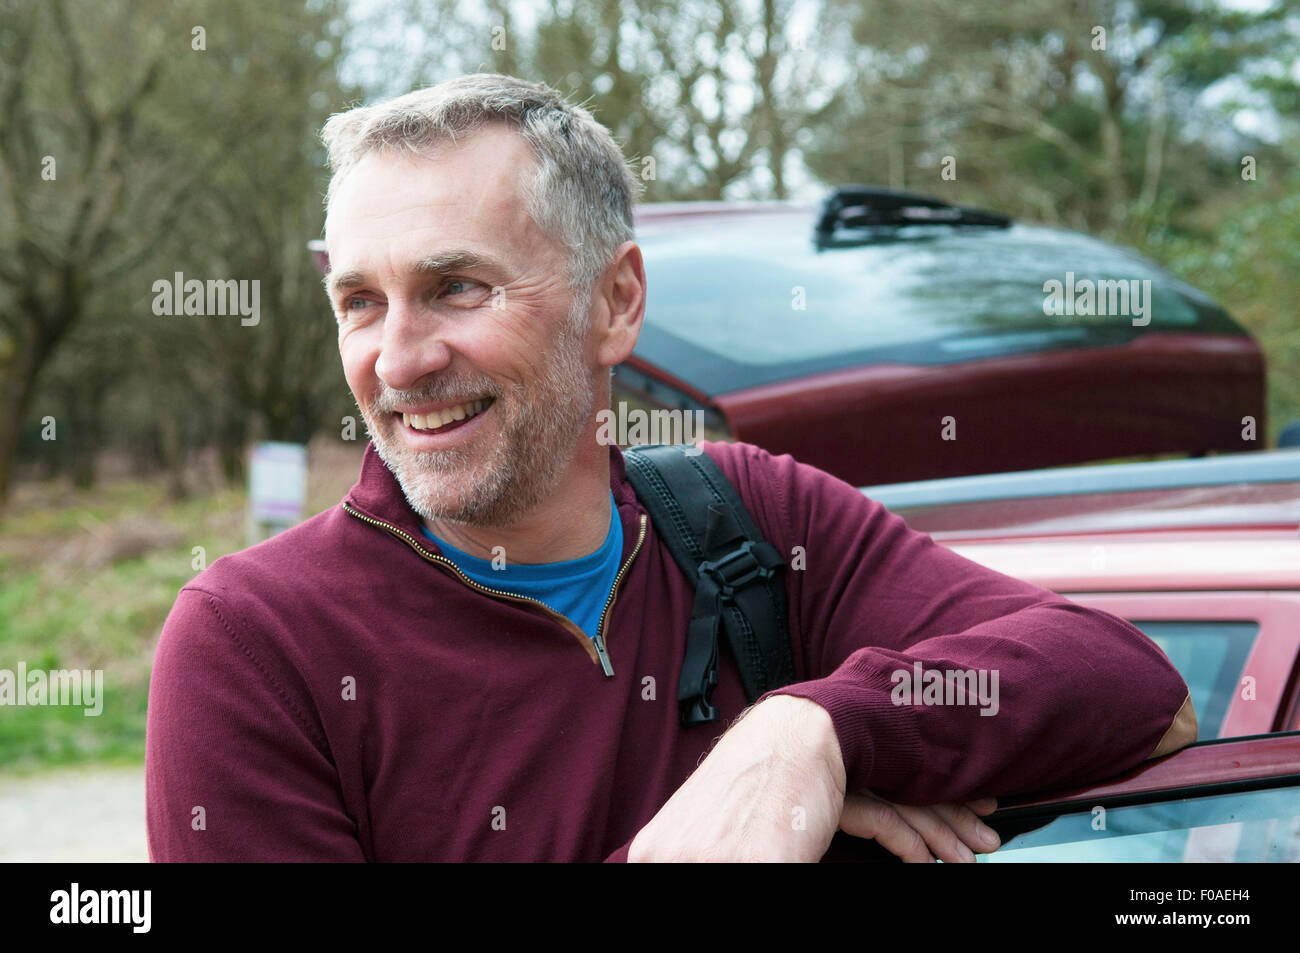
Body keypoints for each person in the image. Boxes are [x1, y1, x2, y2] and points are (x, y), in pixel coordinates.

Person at [145, 73, 1197, 862]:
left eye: (458, 287)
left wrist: (812, 733)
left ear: (615, 303)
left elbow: (1138, 689)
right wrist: (732, 825)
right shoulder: (254, 643)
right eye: (361, 303)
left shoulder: (755, 518)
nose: (399, 359)